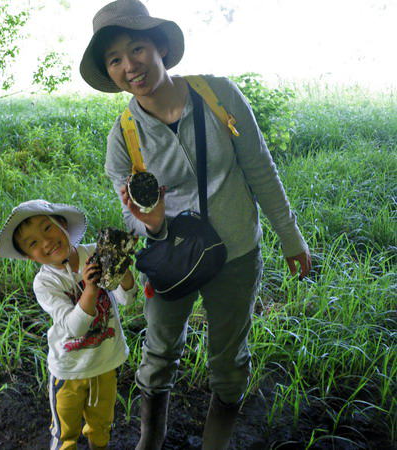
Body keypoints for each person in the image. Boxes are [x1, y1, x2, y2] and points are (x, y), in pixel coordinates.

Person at [79, 1, 312, 449]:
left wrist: (291, 237)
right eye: (115, 59)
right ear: (109, 72)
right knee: (159, 353)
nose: (130, 66)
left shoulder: (217, 95)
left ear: (161, 47)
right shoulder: (123, 136)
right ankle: (150, 440)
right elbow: (131, 217)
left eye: (137, 49)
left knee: (229, 359)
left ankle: (215, 442)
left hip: (237, 250)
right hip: (171, 259)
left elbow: (260, 169)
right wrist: (153, 225)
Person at [0, 199, 137, 450]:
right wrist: (90, 289)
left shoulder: (94, 253)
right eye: (33, 243)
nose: (46, 242)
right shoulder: (45, 283)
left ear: (63, 224)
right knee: (65, 433)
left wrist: (122, 269)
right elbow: (75, 328)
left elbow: (127, 299)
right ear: (29, 256)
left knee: (101, 426)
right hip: (69, 369)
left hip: (105, 363)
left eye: (47, 228)